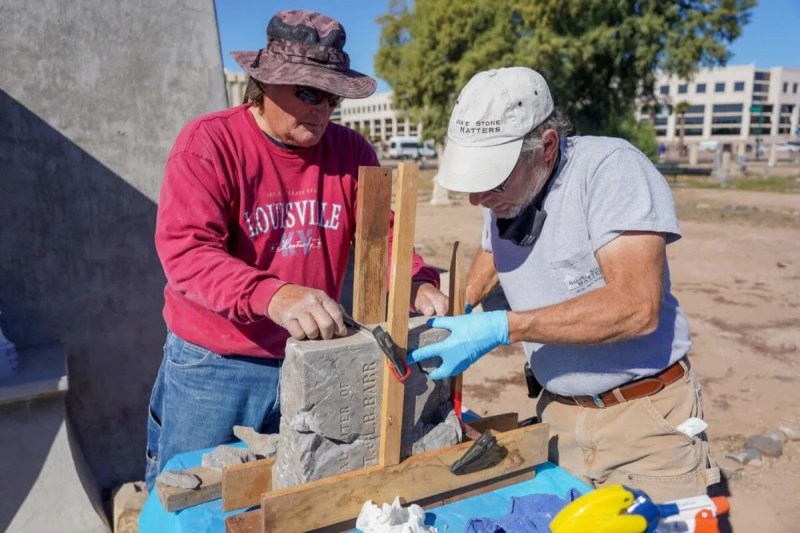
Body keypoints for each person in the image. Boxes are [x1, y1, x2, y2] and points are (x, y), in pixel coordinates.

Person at [145, 10, 447, 490]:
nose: (323, 110)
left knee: (295, 496)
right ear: (263, 84)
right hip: (216, 367)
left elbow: (382, 234)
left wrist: (414, 278)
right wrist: (274, 295)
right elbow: (187, 252)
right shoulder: (209, 144)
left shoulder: (352, 153)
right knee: (193, 498)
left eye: (333, 98)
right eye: (309, 93)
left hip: (311, 357)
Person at [408, 67, 718, 502]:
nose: (478, 199)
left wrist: (501, 327)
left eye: (491, 182)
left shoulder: (611, 169)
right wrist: (455, 301)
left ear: (546, 147)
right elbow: (492, 253)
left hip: (643, 425)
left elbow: (635, 307)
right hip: (558, 416)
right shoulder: (506, 192)